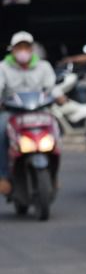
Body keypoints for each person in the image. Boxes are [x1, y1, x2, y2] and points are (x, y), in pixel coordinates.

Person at [0, 31, 60, 197]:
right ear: (12, 50)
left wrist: (59, 95)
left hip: (39, 111)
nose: (23, 51)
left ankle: (54, 173)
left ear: (32, 49)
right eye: (19, 47)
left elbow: (52, 87)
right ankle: (3, 176)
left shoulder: (43, 67)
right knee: (1, 130)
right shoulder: (3, 68)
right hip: (12, 113)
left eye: (26, 47)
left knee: (55, 128)